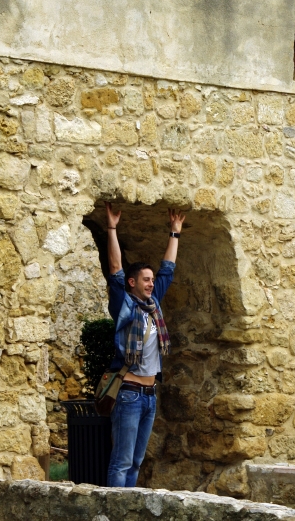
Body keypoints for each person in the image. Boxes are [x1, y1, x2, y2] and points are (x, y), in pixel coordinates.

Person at [103, 202, 186, 488]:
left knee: (137, 462)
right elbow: (115, 269)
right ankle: (114, 508)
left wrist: (174, 233)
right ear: (132, 282)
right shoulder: (124, 306)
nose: (151, 284)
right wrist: (112, 228)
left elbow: (167, 271)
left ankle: (126, 508)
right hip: (129, 393)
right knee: (122, 461)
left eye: (151, 280)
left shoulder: (153, 305)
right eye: (145, 280)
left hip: (150, 394)